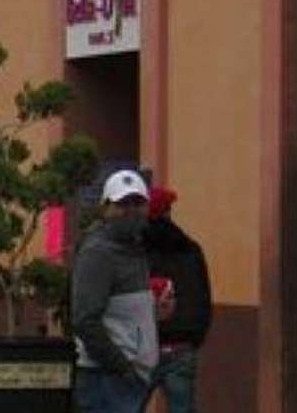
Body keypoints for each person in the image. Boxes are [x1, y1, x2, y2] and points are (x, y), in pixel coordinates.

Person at [73, 169, 159, 413]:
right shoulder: (99, 253)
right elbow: (85, 320)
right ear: (105, 209)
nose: (131, 211)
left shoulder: (135, 247)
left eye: (137, 203)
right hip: (106, 380)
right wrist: (121, 368)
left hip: (129, 379)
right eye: (122, 204)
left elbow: (122, 313)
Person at [142, 187, 211, 413]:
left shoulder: (133, 248)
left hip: (143, 347)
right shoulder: (190, 249)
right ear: (168, 212)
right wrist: (193, 337)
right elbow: (202, 297)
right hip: (182, 345)